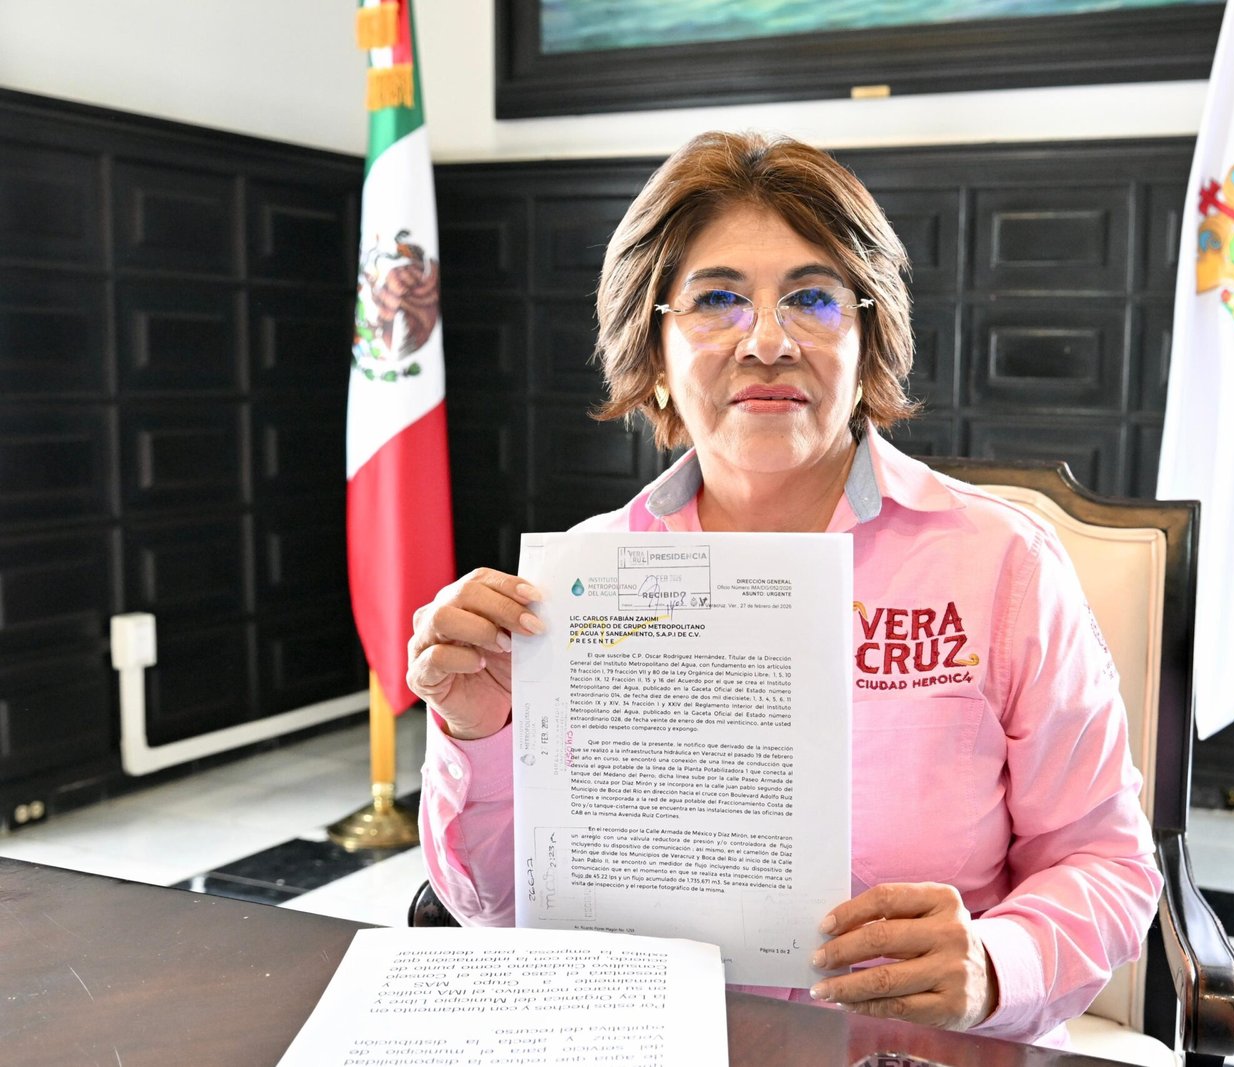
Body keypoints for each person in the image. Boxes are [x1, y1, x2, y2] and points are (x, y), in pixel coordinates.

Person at [407, 131, 1161, 1048]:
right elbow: (495, 907)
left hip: (907, 1052)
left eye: (812, 298)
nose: (767, 341)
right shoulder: (580, 583)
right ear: (653, 346)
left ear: (867, 336)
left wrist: (995, 962)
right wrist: (478, 733)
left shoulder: (999, 563)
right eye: (717, 299)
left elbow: (1106, 862)